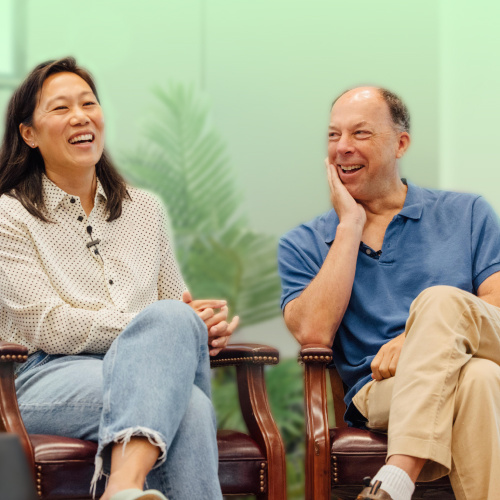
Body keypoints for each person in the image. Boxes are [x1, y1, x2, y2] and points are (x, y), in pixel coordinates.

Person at [0, 57, 239, 500]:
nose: (80, 116)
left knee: (182, 377)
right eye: (60, 108)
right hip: (40, 377)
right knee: (187, 402)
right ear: (28, 134)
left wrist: (200, 328)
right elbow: (46, 326)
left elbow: (174, 307)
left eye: (88, 103)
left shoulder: (144, 209)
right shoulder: (9, 215)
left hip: (143, 368)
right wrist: (152, 325)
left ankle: (124, 490)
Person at [278, 87, 500, 500]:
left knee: (441, 301)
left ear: (401, 144)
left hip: (476, 345)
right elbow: (314, 333)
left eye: (360, 134)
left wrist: (420, 336)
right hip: (383, 389)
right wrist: (348, 226)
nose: (342, 147)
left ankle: (396, 475)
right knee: (479, 379)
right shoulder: (305, 242)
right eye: (332, 136)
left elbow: (496, 304)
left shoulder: (467, 213)